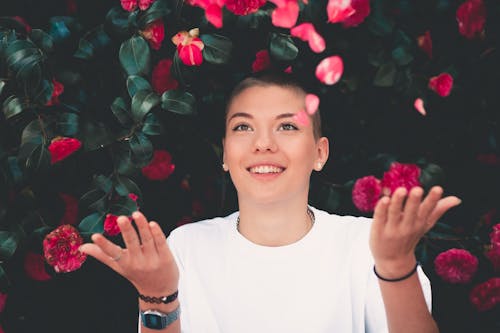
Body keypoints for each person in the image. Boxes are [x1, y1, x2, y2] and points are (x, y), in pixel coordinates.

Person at [79, 73, 461, 332]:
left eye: (288, 126)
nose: (263, 143)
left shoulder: (366, 245)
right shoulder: (186, 247)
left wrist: (396, 267)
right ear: (226, 154)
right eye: (243, 127)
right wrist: (157, 298)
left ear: (319, 152)